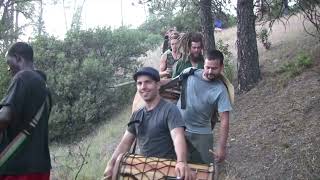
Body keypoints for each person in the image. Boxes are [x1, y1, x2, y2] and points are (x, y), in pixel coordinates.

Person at [104, 67, 192, 180]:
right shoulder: (137, 115)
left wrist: (181, 161)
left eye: (147, 82)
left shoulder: (170, 110)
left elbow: (178, 137)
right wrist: (111, 164)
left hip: (168, 170)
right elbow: (125, 144)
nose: (143, 87)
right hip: (145, 171)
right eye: (139, 83)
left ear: (158, 85)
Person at [0, 42, 51, 179]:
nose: (8, 69)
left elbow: (4, 118)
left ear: (18, 58)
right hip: (41, 167)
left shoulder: (23, 77)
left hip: (18, 169)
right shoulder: (44, 88)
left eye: (8, 63)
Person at [177, 49, 232, 165]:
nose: (210, 71)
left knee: (204, 170)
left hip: (201, 134)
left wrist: (221, 147)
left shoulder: (220, 90)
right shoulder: (189, 73)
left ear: (221, 67)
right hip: (178, 129)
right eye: (207, 67)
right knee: (175, 167)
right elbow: (171, 84)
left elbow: (224, 121)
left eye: (214, 68)